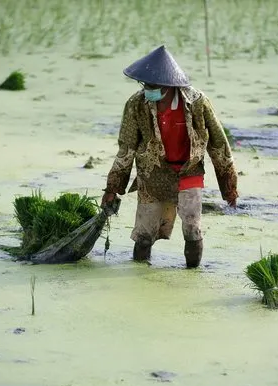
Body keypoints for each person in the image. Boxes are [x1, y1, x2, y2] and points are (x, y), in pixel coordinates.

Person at [101, 45, 238, 268]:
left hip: (188, 170)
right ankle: (141, 274)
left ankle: (192, 273)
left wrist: (229, 187)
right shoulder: (136, 105)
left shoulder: (197, 103)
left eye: (153, 86)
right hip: (152, 173)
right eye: (145, 85)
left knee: (192, 228)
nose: (148, 90)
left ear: (169, 85)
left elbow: (219, 144)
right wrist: (112, 188)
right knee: (144, 233)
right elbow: (126, 149)